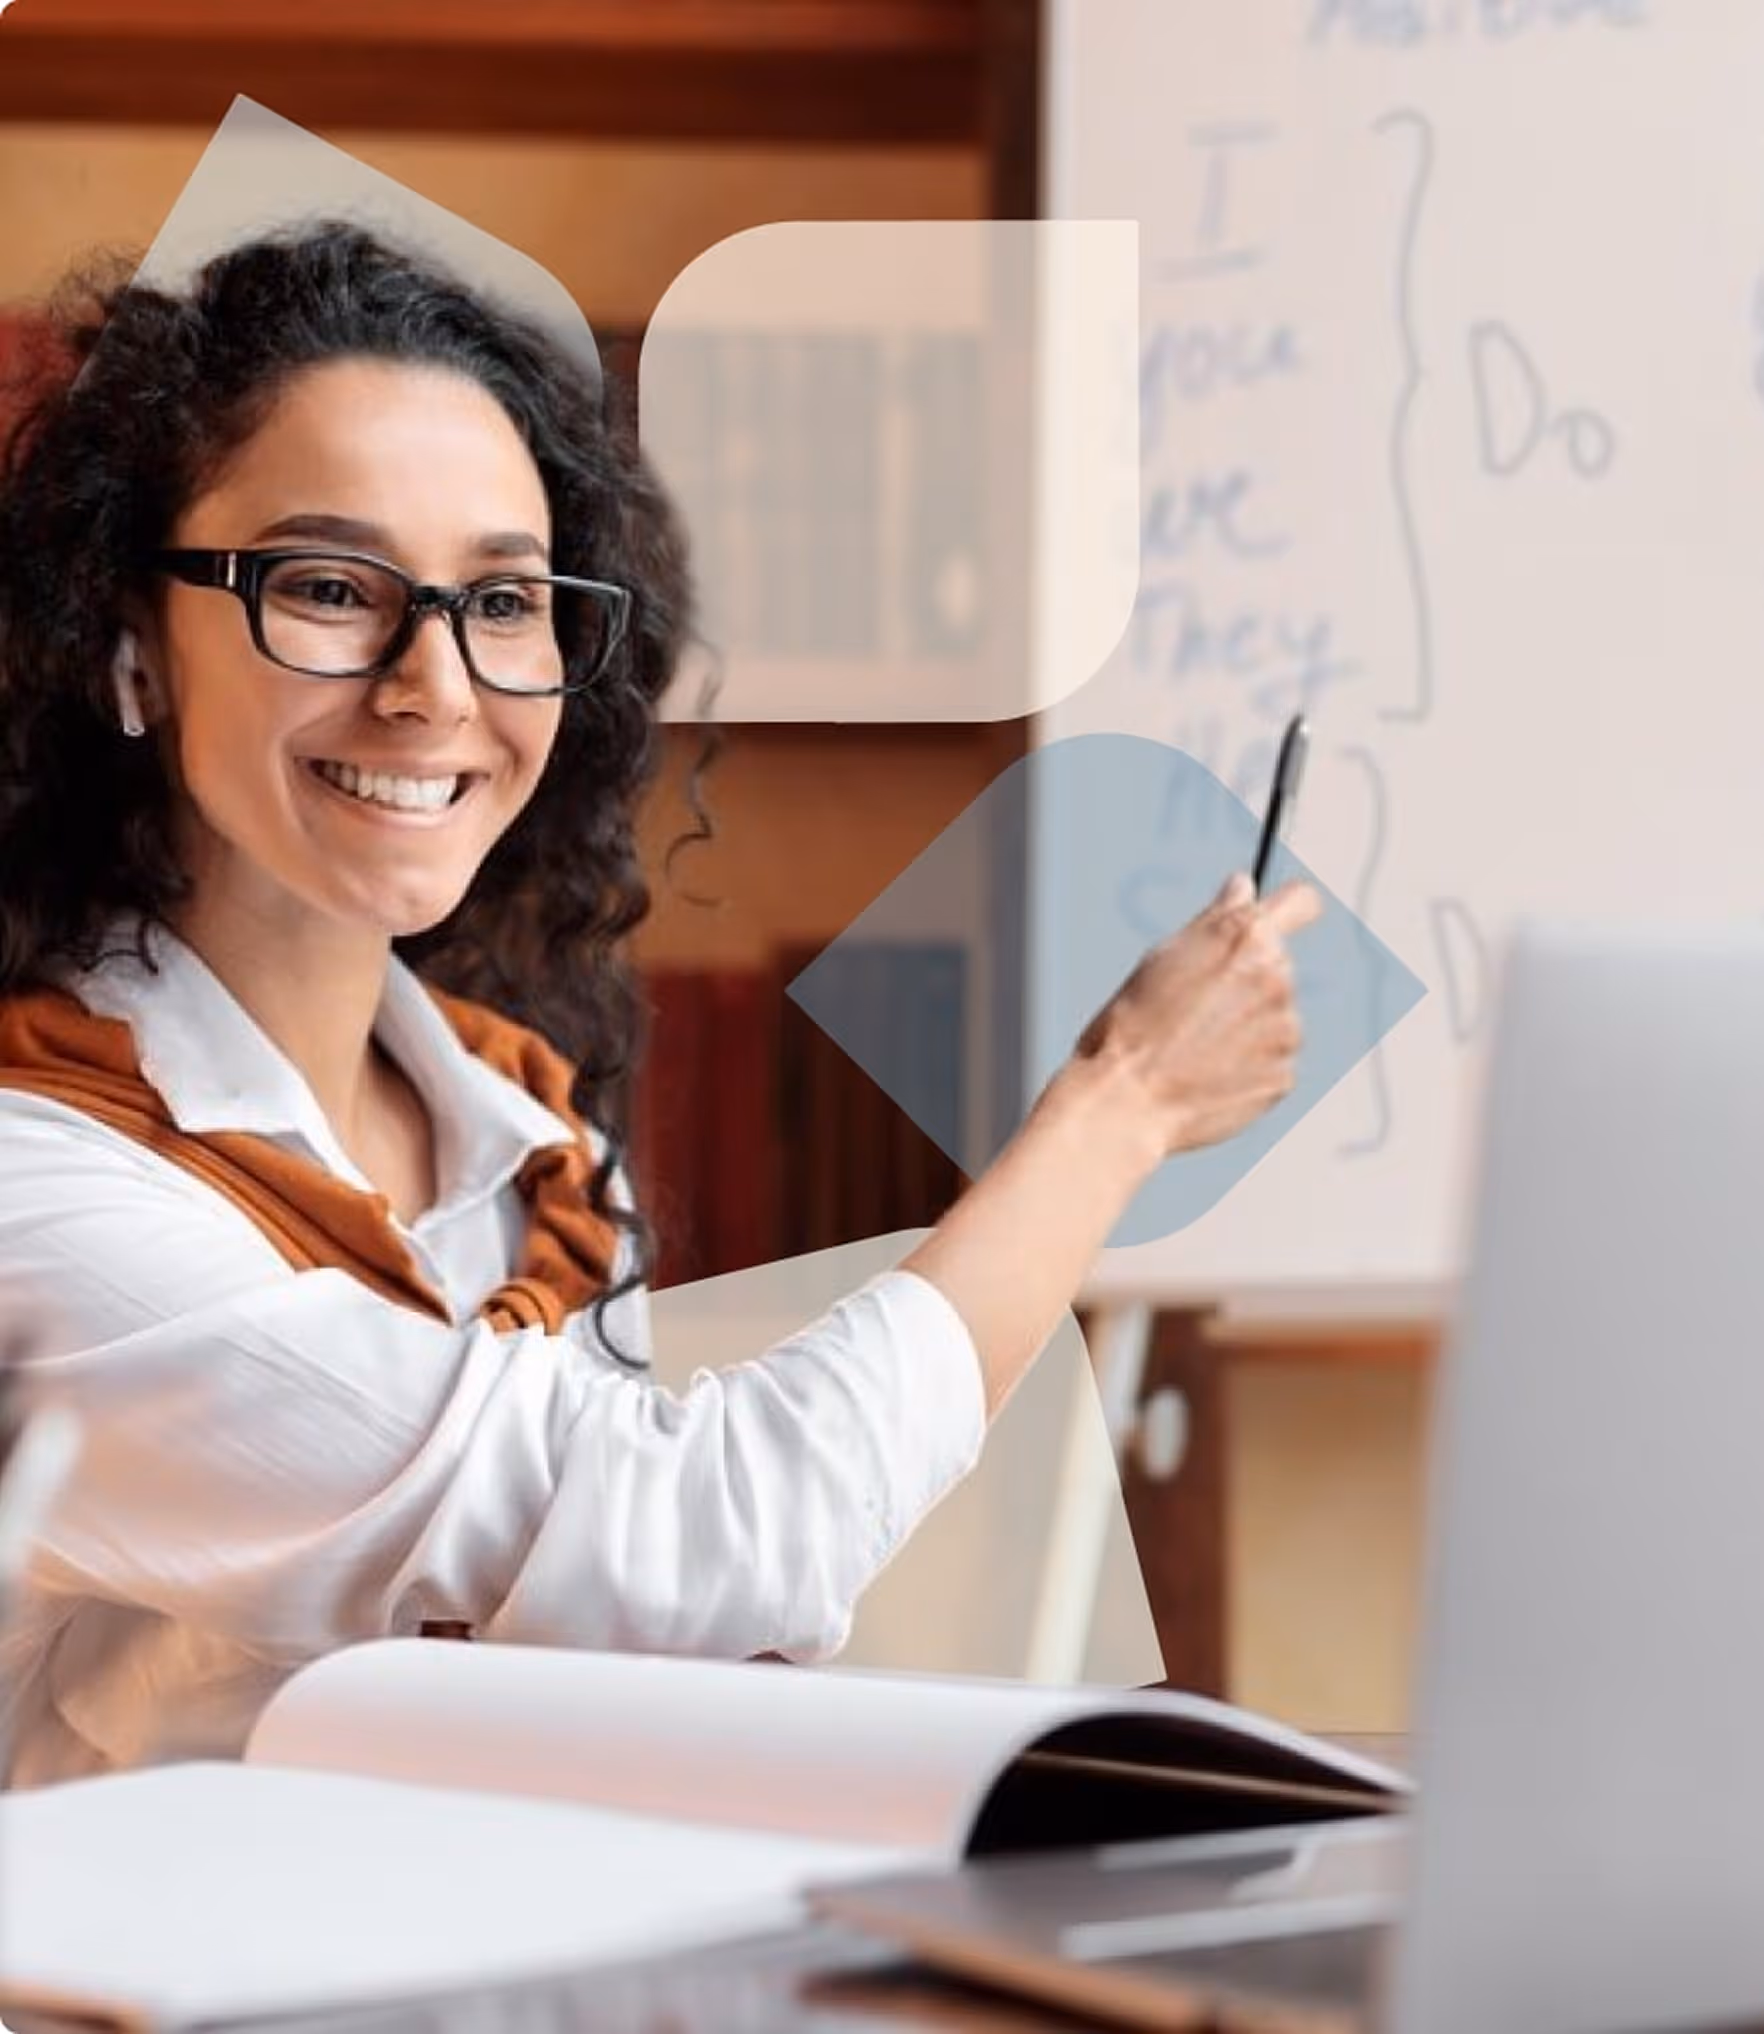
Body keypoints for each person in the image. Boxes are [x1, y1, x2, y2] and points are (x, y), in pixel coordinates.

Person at [0, 222, 1320, 1788]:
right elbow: (709, 1534)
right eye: (330, 585)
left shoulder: (527, 1141)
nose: (434, 685)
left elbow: (614, 1667)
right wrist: (1124, 1104)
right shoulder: (45, 1183)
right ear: (131, 646)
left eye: (502, 602)